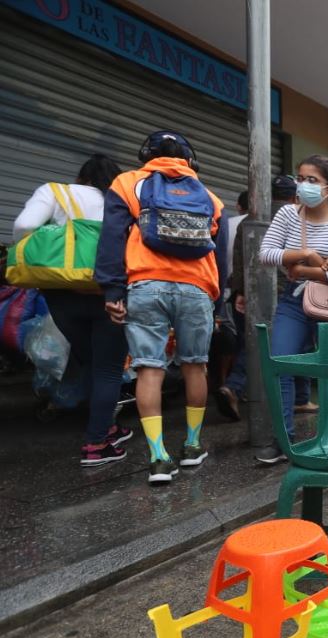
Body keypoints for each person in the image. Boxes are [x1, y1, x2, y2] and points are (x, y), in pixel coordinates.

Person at [95, 131, 224, 484]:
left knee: (149, 369)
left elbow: (112, 239)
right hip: (197, 289)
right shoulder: (210, 198)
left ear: (145, 155)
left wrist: (112, 291)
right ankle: (193, 446)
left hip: (145, 286)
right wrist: (218, 304)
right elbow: (220, 258)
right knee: (195, 367)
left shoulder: (127, 184)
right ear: (189, 159)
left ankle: (158, 457)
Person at [13, 153, 133, 466]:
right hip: (108, 292)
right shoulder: (121, 202)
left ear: (82, 177)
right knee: (108, 367)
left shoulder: (55, 192)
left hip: (61, 294)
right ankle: (96, 443)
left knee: (91, 361)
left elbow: (24, 226)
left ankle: (105, 426)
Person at [254, 155, 328, 465]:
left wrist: (302, 269)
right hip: (294, 302)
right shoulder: (288, 214)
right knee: (281, 364)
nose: (303, 185)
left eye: (311, 180)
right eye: (300, 177)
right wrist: (311, 255)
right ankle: (282, 440)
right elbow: (266, 254)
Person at [215, 174, 300, 422]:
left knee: (250, 343)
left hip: (247, 292)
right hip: (284, 292)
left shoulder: (248, 220)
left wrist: (241, 292)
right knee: (274, 347)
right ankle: (238, 387)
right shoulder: (296, 218)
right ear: (294, 196)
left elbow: (240, 260)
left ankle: (241, 389)